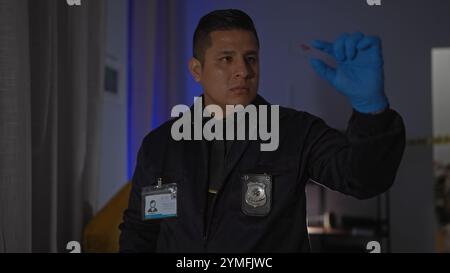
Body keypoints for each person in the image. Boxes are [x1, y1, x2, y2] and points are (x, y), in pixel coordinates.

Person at [119, 9, 405, 252]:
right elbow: (141, 232)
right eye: (226, 59)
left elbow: (362, 179)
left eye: (251, 58)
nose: (243, 70)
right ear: (196, 69)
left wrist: (372, 111)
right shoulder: (162, 145)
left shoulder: (295, 132)